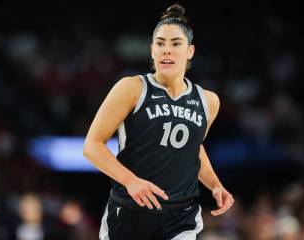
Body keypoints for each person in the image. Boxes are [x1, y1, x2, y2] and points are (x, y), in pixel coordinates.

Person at [83, 3, 234, 240]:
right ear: (152, 50)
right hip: (129, 212)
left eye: (176, 44)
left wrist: (215, 184)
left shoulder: (208, 101)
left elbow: (192, 148)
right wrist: (131, 181)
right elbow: (92, 146)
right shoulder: (132, 88)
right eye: (161, 43)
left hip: (180, 217)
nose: (167, 50)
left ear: (190, 51)